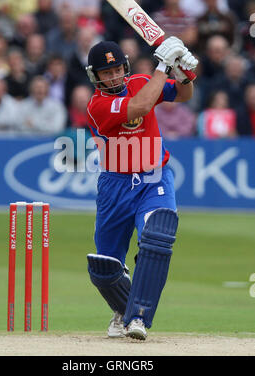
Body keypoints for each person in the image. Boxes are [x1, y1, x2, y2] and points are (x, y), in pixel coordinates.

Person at [85, 38, 198, 340]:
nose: (112, 76)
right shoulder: (98, 105)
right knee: (105, 268)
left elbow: (183, 94)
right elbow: (142, 105)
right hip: (115, 185)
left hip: (154, 178)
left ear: (125, 66)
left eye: (116, 69)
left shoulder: (142, 81)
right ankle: (123, 309)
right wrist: (163, 65)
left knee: (156, 235)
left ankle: (139, 318)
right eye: (105, 72)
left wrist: (184, 71)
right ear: (95, 76)